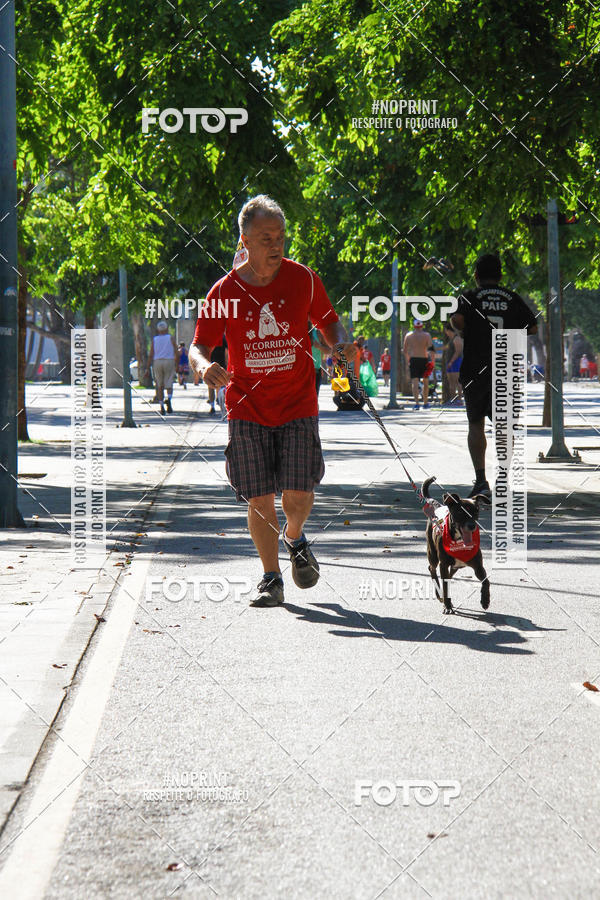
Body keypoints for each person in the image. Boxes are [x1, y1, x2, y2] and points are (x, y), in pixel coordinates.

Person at [189, 194, 357, 608]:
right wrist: (203, 366)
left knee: (298, 495)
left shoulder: (303, 279)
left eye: (280, 236)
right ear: (245, 240)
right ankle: (271, 578)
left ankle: (295, 537)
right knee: (259, 496)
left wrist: (340, 348)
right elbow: (198, 345)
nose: (276, 244)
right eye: (266, 237)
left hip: (299, 402)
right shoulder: (225, 291)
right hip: (247, 406)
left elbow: (328, 322)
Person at [451, 253, 537, 498]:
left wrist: (464, 328)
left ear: (476, 275)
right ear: (500, 275)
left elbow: (457, 320)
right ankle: (503, 479)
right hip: (506, 370)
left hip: (475, 369)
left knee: (475, 423)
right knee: (504, 425)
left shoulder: (469, 296)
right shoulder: (512, 297)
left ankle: (481, 481)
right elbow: (532, 327)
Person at [403, 319, 435, 409]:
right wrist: (433, 362)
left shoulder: (409, 335)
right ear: (422, 326)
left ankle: (417, 403)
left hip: (413, 360)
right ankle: (425, 403)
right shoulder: (426, 335)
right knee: (426, 382)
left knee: (415, 382)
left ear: (414, 326)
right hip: (424, 359)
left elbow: (405, 351)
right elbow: (431, 350)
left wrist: (408, 361)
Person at [147, 321, 177, 415]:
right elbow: (176, 350)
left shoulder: (155, 340)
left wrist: (147, 367)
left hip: (157, 361)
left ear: (158, 330)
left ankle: (161, 406)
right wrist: (177, 363)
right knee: (169, 383)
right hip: (169, 360)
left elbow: (151, 354)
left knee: (159, 385)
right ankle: (169, 399)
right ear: (167, 329)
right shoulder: (170, 338)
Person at [443, 322, 463, 405]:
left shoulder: (457, 338)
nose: (445, 332)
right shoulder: (451, 340)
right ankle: (452, 399)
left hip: (456, 362)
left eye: (446, 330)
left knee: (457, 382)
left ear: (448, 330)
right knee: (451, 382)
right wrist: (434, 348)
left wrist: (451, 362)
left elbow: (458, 352)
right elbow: (446, 347)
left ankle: (459, 400)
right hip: (450, 363)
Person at [207, 336, 228, 414]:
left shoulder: (209, 338)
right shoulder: (223, 338)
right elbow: (226, 353)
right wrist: (227, 364)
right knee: (220, 384)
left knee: (210, 385)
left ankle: (212, 406)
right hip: (221, 364)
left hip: (211, 363)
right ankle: (220, 403)